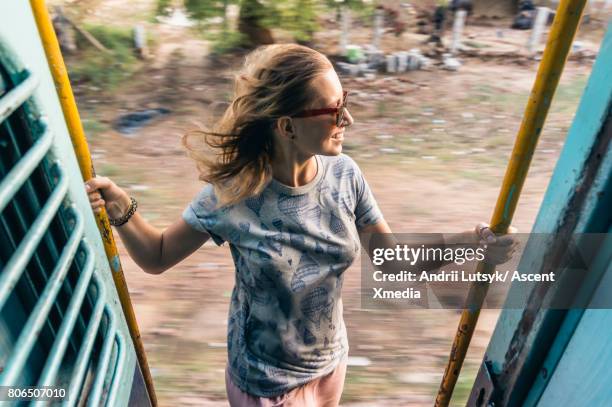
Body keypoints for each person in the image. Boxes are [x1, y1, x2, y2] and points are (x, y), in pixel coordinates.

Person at [85, 44, 516, 406]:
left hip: (330, 366)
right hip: (265, 387)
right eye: (333, 110)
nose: (347, 120)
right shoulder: (233, 195)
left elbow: (391, 263)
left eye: (345, 103)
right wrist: (122, 206)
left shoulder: (346, 175)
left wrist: (472, 243)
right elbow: (157, 256)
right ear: (288, 126)